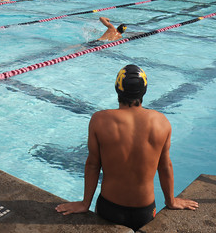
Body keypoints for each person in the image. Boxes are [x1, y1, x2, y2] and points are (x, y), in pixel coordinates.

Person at [56, 65, 198, 231]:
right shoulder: (161, 122)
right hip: (144, 209)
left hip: (109, 207)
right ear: (144, 91)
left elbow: (93, 165)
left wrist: (85, 203)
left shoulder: (99, 120)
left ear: (118, 89)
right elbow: (165, 166)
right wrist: (171, 201)